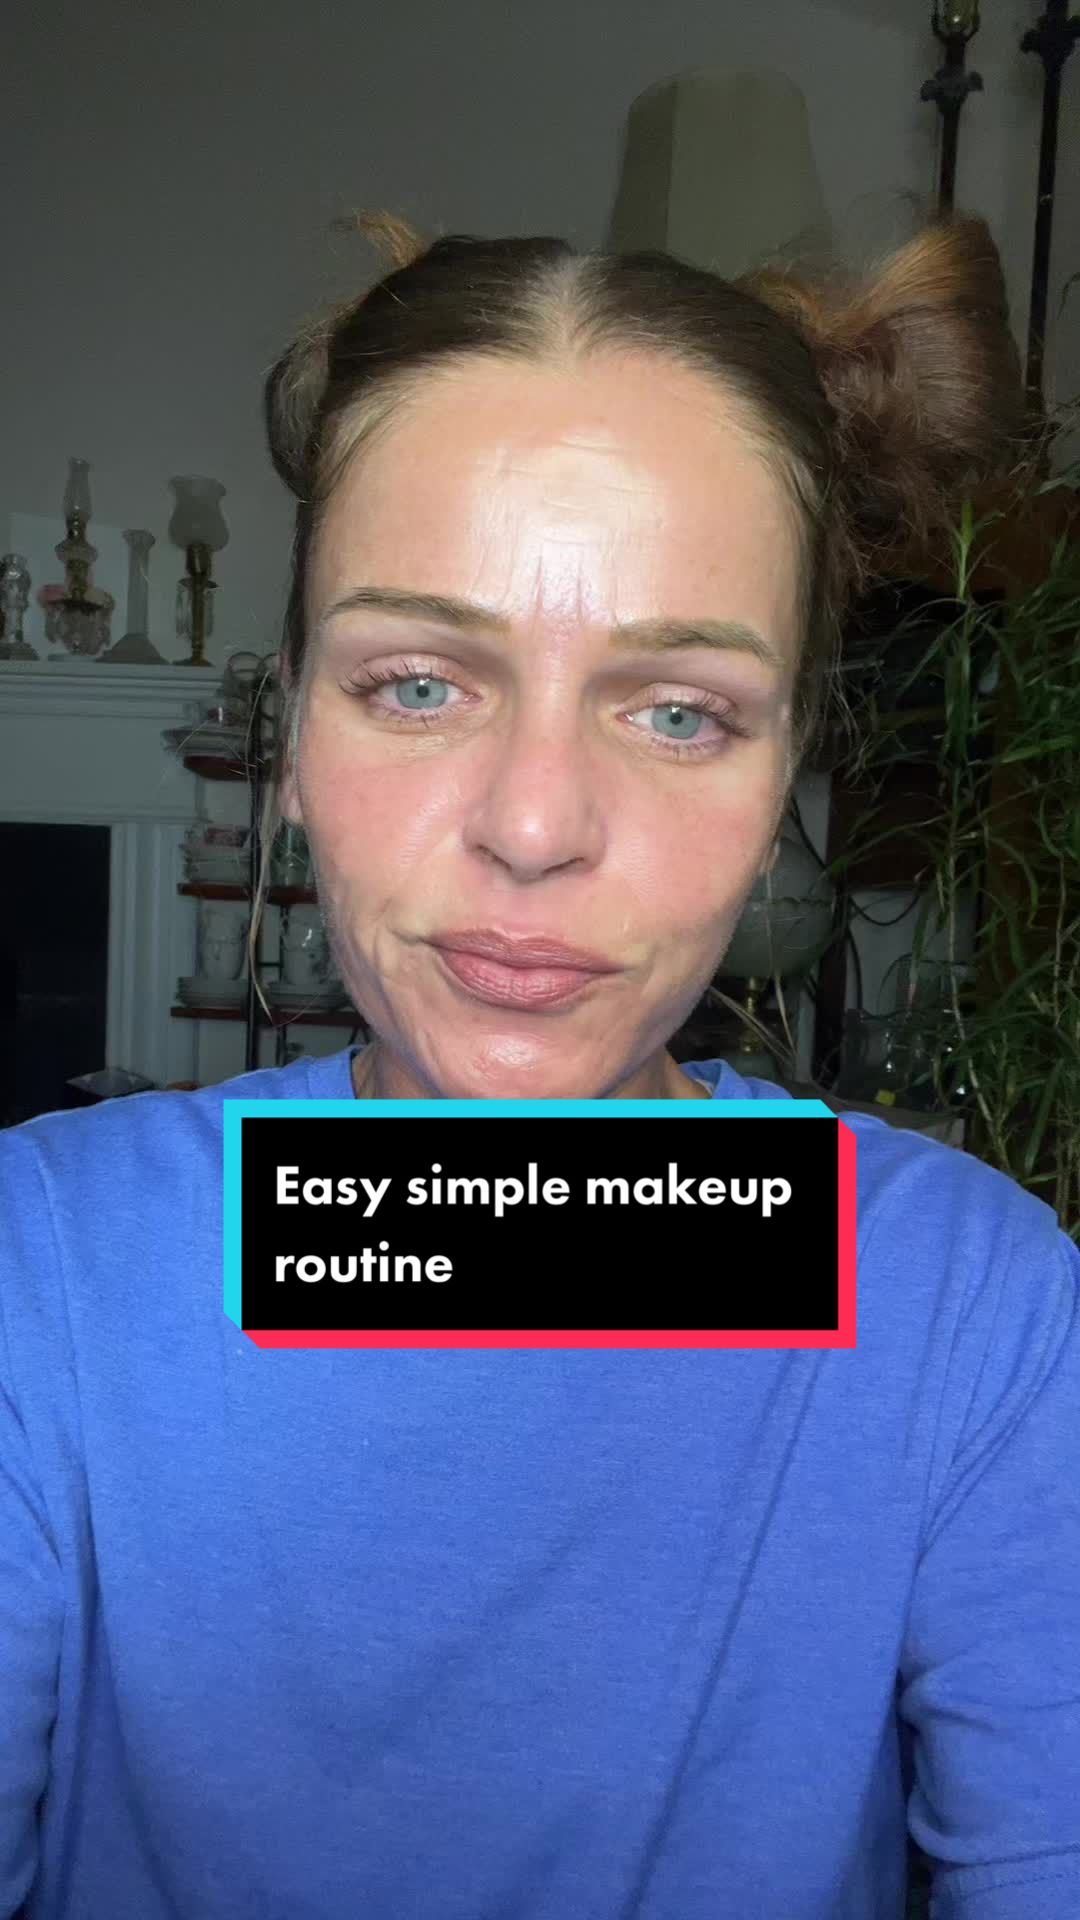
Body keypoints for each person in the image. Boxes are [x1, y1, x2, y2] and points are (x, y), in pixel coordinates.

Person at [1, 209, 1077, 1920]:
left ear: (789, 771)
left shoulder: (978, 1316)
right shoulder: (42, 1270)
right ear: (293, 734)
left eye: (678, 711)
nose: (532, 825)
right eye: (419, 685)